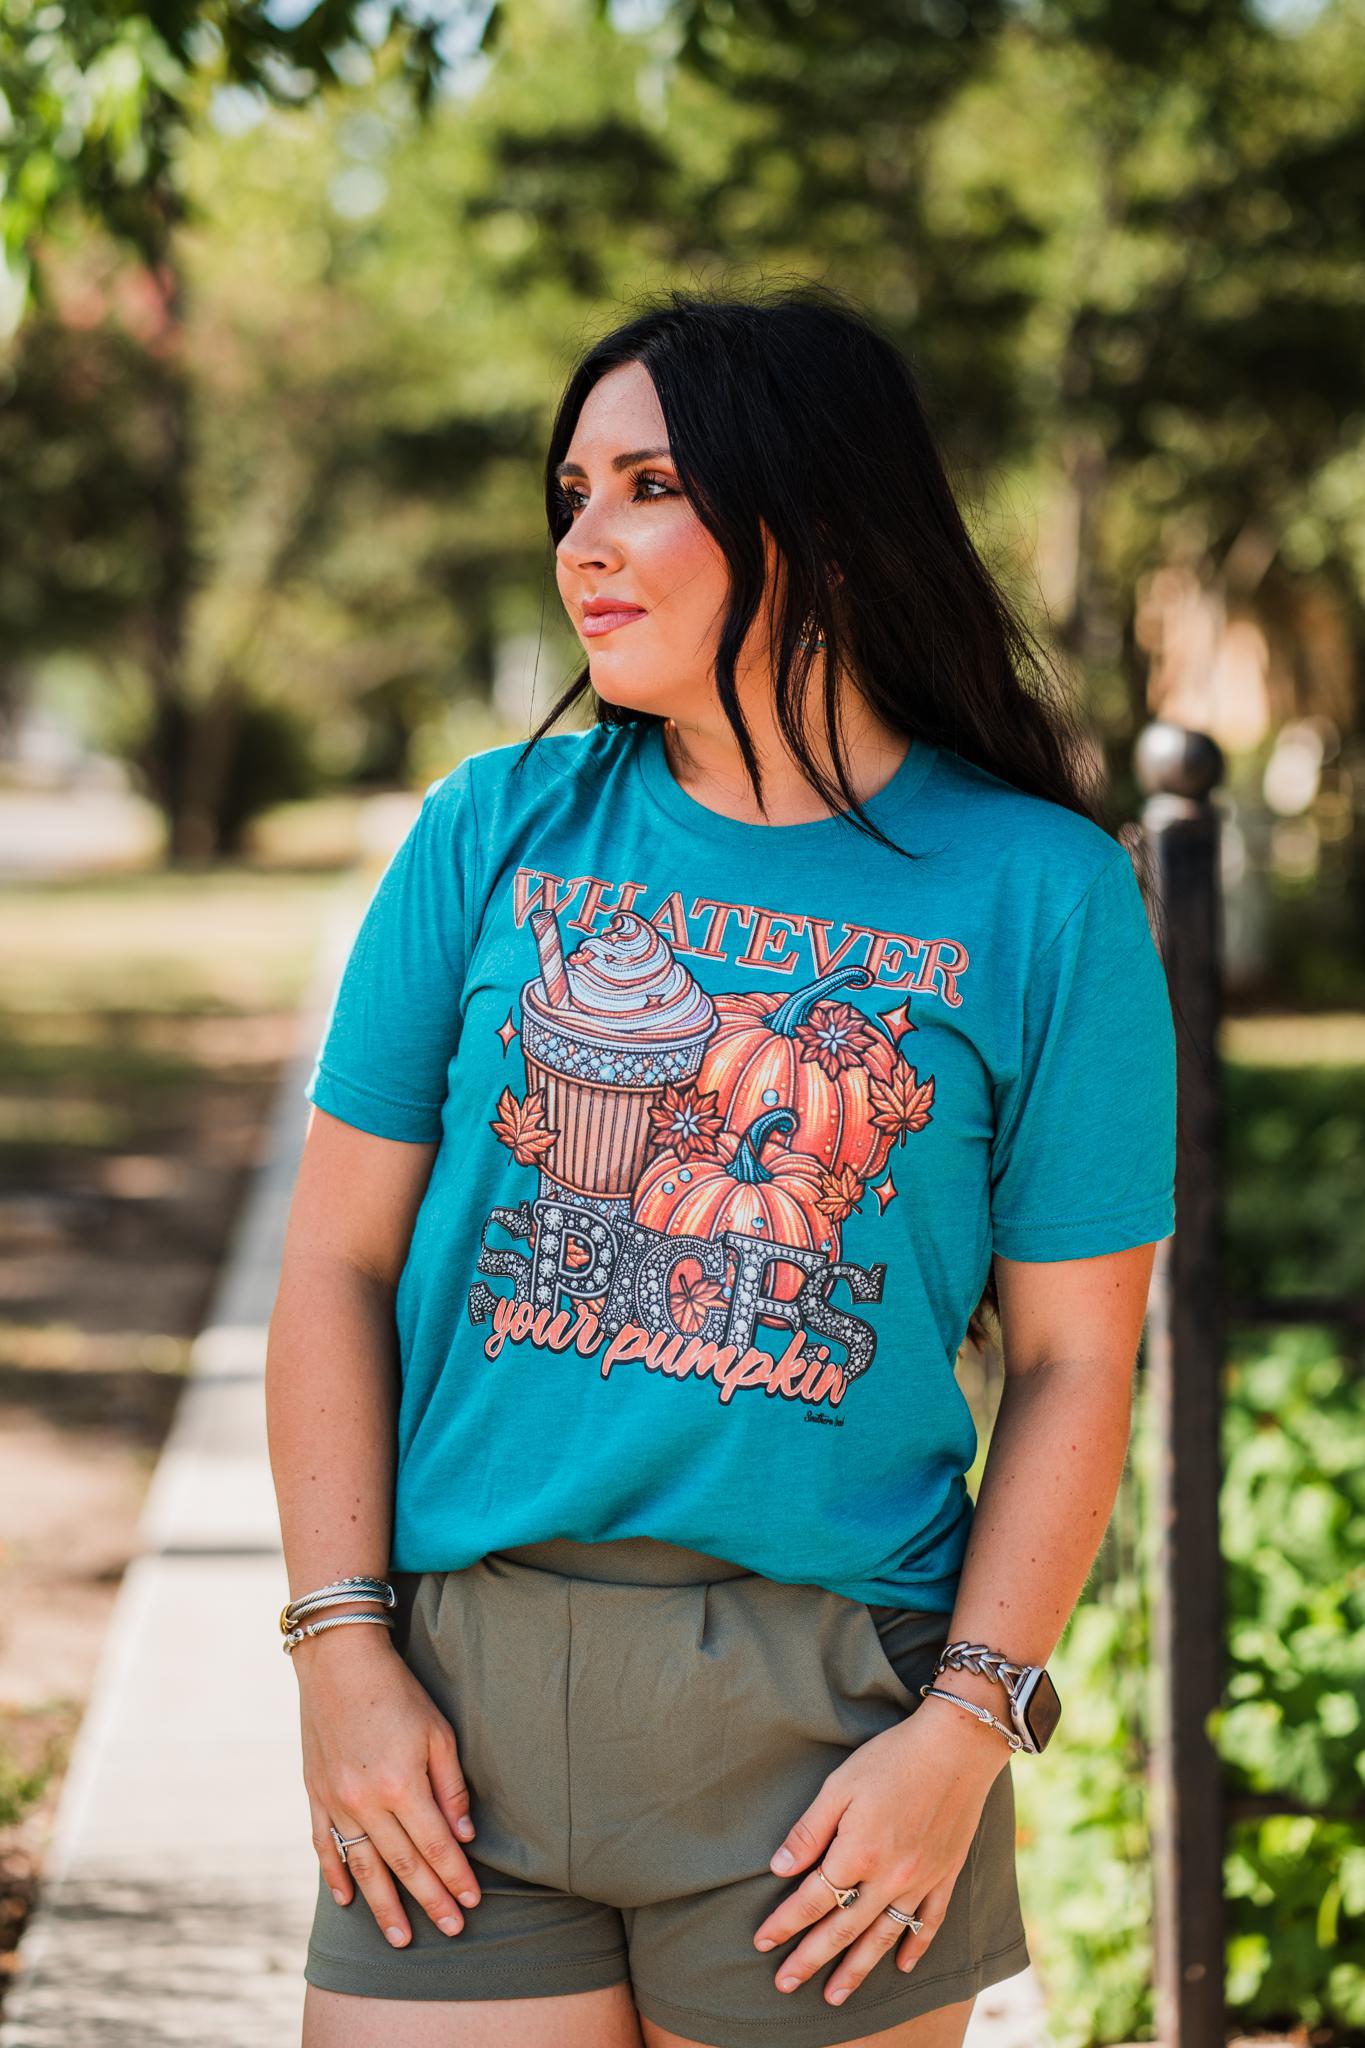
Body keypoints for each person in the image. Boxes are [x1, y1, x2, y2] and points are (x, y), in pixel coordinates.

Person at [266, 279, 1178, 2048]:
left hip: (830, 1735)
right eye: (572, 495)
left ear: (820, 526)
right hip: (455, 1705)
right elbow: (334, 1264)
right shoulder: (489, 830)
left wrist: (963, 1730)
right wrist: (340, 1650)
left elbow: (1078, 1360)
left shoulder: (1041, 894)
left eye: (650, 488)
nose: (582, 544)